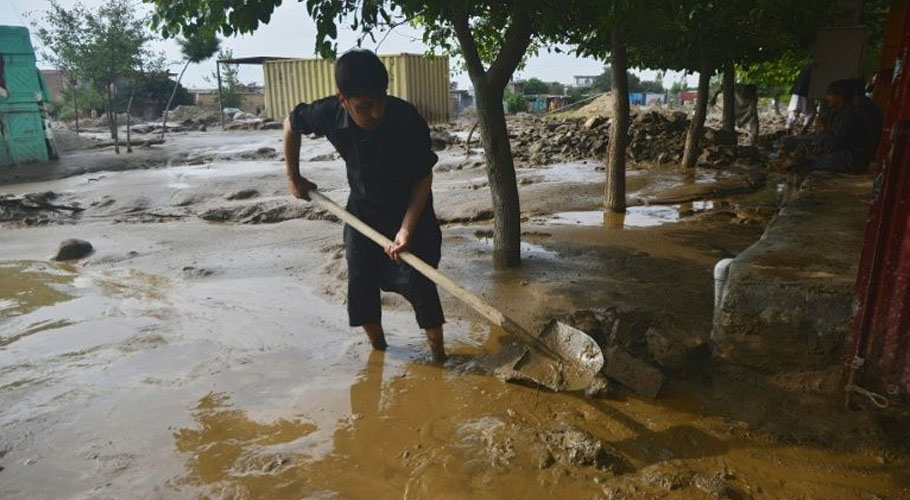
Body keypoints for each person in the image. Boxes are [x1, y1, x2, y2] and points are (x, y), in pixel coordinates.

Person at [282, 50, 447, 362]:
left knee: (421, 284)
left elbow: (422, 178)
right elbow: (290, 124)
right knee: (360, 282)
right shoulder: (328, 113)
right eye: (364, 107)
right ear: (342, 99)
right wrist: (294, 177)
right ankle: (379, 353)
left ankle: (440, 357)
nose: (376, 113)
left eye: (381, 100)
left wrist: (405, 230)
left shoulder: (406, 119)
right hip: (362, 213)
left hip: (411, 211)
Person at [814, 79, 874, 173]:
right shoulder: (839, 112)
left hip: (851, 158)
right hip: (844, 154)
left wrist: (823, 128)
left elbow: (835, 144)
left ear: (839, 96)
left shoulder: (849, 115)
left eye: (829, 94)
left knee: (807, 162)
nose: (826, 98)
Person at [787, 62, 815, 133]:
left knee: (796, 112)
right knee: (809, 112)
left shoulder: (808, 66)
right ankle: (792, 130)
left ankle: (790, 130)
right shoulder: (813, 66)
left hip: (802, 91)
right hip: (804, 91)